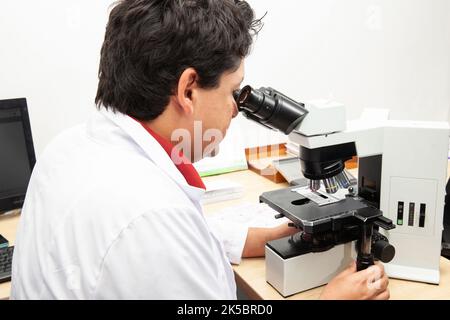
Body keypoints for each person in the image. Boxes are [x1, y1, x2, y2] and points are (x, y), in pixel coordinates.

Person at [11, 0, 389, 300]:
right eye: (232, 91)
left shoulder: (69, 147)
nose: (235, 108)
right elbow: (163, 240)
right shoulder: (152, 218)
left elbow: (179, 242)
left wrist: (265, 237)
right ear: (188, 89)